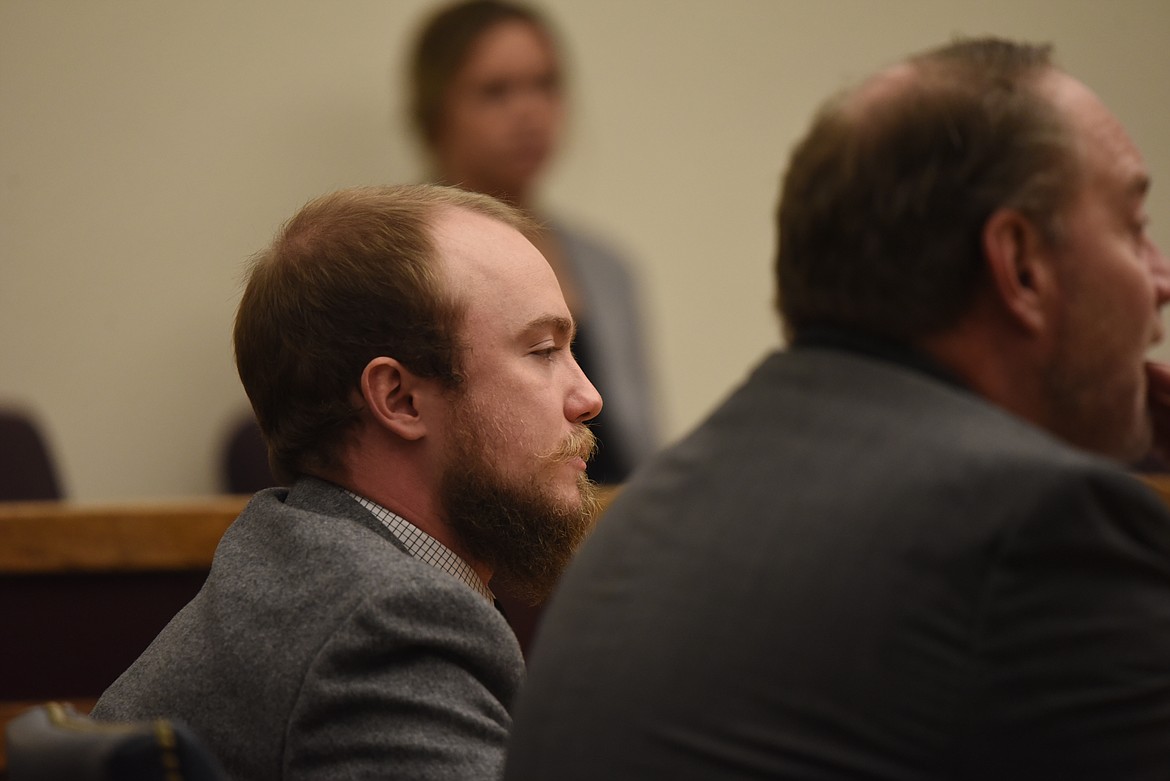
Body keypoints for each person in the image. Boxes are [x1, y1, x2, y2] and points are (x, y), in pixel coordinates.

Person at [503, 38, 1170, 779]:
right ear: (1020, 265)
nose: (1160, 277)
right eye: (1133, 228)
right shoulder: (1041, 521)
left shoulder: (655, 506)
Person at [93, 184, 604, 780]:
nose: (588, 397)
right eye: (543, 350)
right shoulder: (386, 629)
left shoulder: (302, 568)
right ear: (400, 398)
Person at [407, 0, 658, 486]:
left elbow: (640, 445)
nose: (529, 113)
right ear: (436, 111)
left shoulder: (607, 268)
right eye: (495, 91)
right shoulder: (403, 262)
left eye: (545, 85)